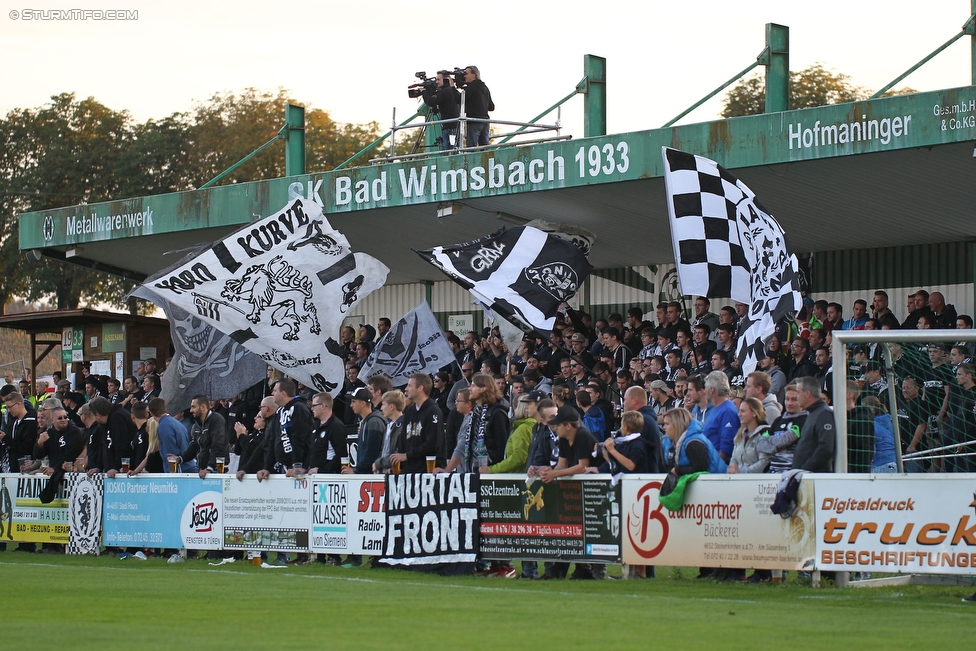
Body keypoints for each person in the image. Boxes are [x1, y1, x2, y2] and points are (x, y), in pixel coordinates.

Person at [257, 379, 312, 481]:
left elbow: (299, 438)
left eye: (275, 391)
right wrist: (267, 467)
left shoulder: (298, 408)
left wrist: (297, 465)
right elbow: (273, 440)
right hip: (282, 467)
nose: (272, 393)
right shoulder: (279, 411)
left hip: (298, 470)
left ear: (283, 393)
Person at [391, 373, 441, 474]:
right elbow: (403, 442)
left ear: (420, 388)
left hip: (428, 472)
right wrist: (400, 466)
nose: (405, 389)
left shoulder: (433, 410)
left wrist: (407, 456)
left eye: (409, 385)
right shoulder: (409, 411)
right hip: (410, 472)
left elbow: (432, 444)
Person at [661, 407, 727, 476]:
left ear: (677, 424)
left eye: (667, 424)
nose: (664, 427)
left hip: (717, 480)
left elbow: (700, 468)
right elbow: (666, 466)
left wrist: (678, 470)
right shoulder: (665, 442)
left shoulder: (693, 442)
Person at [791, 376, 835, 472]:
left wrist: (805, 468)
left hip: (815, 479)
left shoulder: (824, 414)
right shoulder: (813, 413)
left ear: (807, 393)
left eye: (798, 392)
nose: (796, 396)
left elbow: (825, 448)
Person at [180, 395, 228, 479]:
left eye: (193, 407)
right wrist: (180, 458)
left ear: (203, 407)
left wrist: (209, 468)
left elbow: (218, 445)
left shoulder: (217, 419)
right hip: (201, 470)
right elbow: (194, 446)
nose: (191, 410)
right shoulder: (196, 425)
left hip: (215, 472)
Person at [342, 388, 385, 476]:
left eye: (354, 401)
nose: (351, 405)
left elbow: (372, 452)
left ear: (363, 403)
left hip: (371, 475)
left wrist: (356, 470)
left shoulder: (374, 422)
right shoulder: (366, 421)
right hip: (366, 474)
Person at [148, 398, 195, 473]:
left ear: (151, 413)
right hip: (188, 466)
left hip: (180, 470)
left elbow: (170, 453)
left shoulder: (164, 426)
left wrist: (172, 472)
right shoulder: (176, 423)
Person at [701, 371, 739, 462]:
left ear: (712, 390)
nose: (704, 391)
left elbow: (727, 450)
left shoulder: (727, 411)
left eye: (705, 387)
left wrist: (711, 466)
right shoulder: (717, 409)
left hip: (717, 472)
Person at [728, 398, 771, 475]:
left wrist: (741, 472)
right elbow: (734, 458)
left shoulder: (764, 434)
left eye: (743, 411)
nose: (739, 414)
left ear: (754, 413)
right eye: (739, 410)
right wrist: (732, 467)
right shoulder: (740, 434)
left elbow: (764, 461)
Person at [307, 393, 347, 474]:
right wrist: (305, 468)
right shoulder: (315, 425)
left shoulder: (336, 426)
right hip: (314, 475)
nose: (312, 408)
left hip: (329, 476)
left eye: (314, 405)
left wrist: (322, 470)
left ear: (323, 406)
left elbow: (341, 454)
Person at [423, 70, 461, 150]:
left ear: (446, 80)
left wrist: (424, 92)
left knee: (451, 151)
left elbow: (431, 102)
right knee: (456, 150)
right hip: (455, 126)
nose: (436, 82)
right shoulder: (453, 91)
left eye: (438, 80)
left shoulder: (444, 92)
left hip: (449, 127)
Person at [374, 390, 406, 474]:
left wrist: (378, 463)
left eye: (383, 404)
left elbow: (398, 454)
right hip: (383, 472)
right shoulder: (388, 425)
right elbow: (383, 449)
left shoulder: (403, 426)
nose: (381, 408)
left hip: (395, 473)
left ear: (391, 407)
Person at [461, 65, 494, 147]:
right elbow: (491, 107)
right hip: (485, 120)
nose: (464, 76)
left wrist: (452, 88)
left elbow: (459, 100)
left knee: (471, 147)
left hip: (474, 120)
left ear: (474, 75)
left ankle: (471, 160)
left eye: (466, 73)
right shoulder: (485, 88)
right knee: (485, 147)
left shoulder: (471, 88)